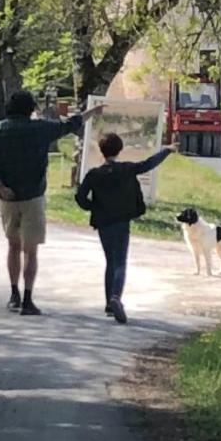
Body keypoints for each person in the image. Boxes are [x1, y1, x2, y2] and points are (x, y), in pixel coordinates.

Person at [0, 90, 104, 316]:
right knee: (31, 250)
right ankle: (28, 298)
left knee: (13, 246)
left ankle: (13, 295)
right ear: (30, 109)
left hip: (8, 197)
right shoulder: (40, 128)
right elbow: (69, 124)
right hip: (34, 196)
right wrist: (93, 112)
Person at [74, 133, 174, 324]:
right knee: (121, 262)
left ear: (102, 152)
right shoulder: (127, 169)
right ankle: (116, 298)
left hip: (103, 222)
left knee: (110, 262)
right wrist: (166, 151)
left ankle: (108, 303)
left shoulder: (93, 174)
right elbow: (147, 164)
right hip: (122, 221)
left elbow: (80, 197)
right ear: (119, 150)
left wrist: (93, 207)